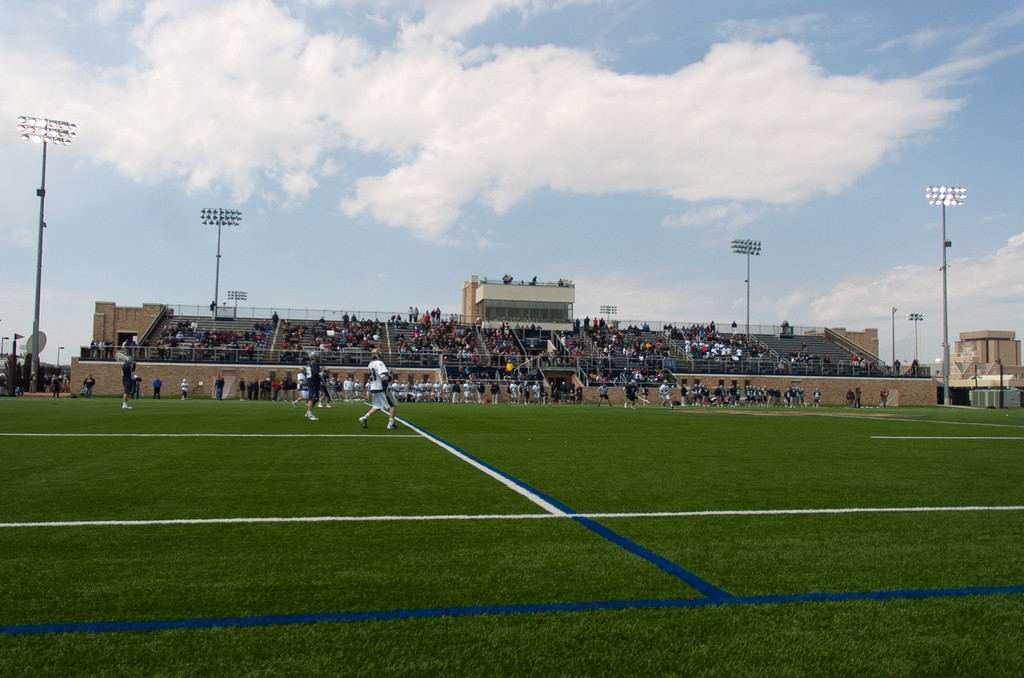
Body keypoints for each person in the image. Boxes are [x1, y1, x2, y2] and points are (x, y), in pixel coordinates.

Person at [359, 348, 397, 429]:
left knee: (377, 406)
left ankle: (364, 418)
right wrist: (389, 377)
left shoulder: (370, 364)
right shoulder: (380, 363)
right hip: (382, 387)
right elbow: (383, 376)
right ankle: (391, 424)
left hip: (374, 387)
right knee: (393, 405)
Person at [304, 355, 322, 421]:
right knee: (313, 398)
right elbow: (316, 372)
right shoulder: (315, 364)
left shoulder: (309, 364)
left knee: (315, 398)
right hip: (314, 382)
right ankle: (309, 413)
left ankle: (308, 412)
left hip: (310, 382)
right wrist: (321, 374)